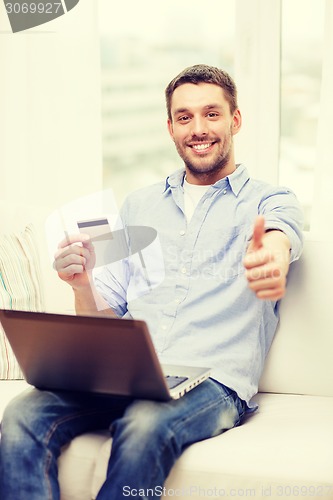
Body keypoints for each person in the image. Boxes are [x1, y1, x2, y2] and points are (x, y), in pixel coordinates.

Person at [0, 64, 303, 499]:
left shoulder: (271, 199)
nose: (198, 129)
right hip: (127, 373)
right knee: (23, 412)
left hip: (212, 383)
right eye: (185, 117)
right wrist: (82, 286)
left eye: (211, 114)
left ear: (235, 120)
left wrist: (269, 257)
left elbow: (279, 240)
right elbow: (111, 318)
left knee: (144, 423)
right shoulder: (139, 206)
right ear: (170, 127)